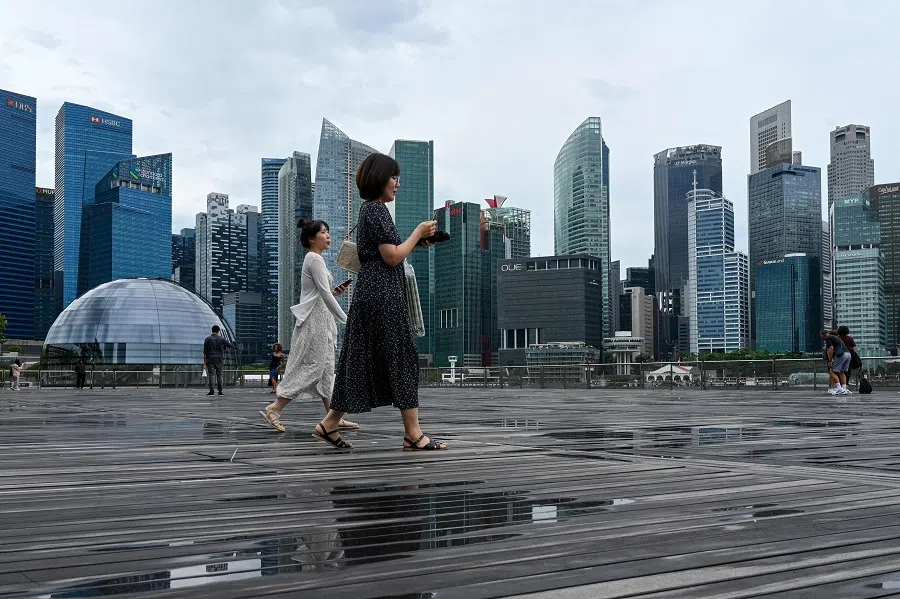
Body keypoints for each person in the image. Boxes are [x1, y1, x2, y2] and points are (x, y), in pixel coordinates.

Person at [314, 152, 447, 451]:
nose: (397, 183)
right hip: (383, 294)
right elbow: (392, 256)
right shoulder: (376, 211)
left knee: (361, 358)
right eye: (393, 177)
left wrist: (418, 241)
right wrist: (417, 232)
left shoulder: (370, 211)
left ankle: (329, 424)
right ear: (379, 179)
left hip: (371, 293)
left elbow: (390, 252)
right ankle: (413, 434)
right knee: (401, 357)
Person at [260, 220, 358, 433]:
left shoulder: (316, 259)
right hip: (315, 321)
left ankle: (333, 417)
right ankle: (275, 408)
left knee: (326, 371)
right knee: (313, 367)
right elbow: (323, 293)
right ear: (311, 239)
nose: (328, 236)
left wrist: (333, 294)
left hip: (321, 318)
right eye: (323, 232)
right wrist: (346, 318)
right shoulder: (314, 259)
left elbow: (322, 293)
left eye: (328, 232)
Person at [203, 325, 231, 396]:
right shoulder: (221, 339)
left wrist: (205, 362)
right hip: (219, 360)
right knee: (219, 375)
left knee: (211, 375)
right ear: (218, 331)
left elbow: (205, 352)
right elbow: (229, 345)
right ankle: (220, 391)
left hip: (210, 360)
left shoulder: (207, 339)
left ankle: (211, 391)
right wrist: (223, 346)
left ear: (212, 330)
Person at [821, 329, 850, 395]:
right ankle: (844, 388)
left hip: (841, 355)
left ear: (822, 335)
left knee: (832, 372)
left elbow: (831, 348)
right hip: (848, 354)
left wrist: (830, 360)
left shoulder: (828, 338)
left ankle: (838, 388)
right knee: (842, 372)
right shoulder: (837, 338)